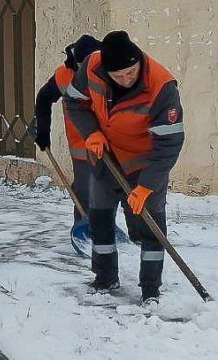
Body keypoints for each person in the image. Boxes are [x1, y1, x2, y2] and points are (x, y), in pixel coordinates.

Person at [64, 30, 184, 305]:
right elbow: (74, 101)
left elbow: (169, 142)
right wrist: (91, 132)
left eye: (131, 72)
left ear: (138, 61)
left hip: (145, 162)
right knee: (100, 219)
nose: (126, 79)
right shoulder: (92, 66)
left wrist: (147, 186)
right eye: (118, 76)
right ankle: (105, 276)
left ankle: (150, 288)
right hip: (105, 158)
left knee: (150, 226)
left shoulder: (161, 86)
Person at [30, 34, 101, 224]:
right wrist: (43, 131)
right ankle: (83, 224)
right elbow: (44, 99)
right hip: (81, 145)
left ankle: (104, 225)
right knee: (85, 189)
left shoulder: (109, 69)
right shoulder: (63, 74)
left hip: (109, 143)